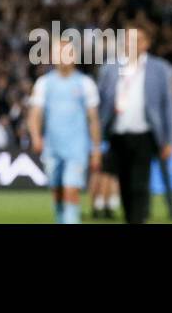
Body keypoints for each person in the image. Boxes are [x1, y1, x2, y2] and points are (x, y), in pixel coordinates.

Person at [97, 23, 172, 224]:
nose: (131, 44)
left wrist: (169, 140)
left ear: (146, 44)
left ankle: (138, 220)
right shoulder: (110, 68)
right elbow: (101, 102)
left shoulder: (159, 69)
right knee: (123, 182)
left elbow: (168, 105)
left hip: (145, 134)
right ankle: (131, 218)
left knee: (139, 184)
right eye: (128, 40)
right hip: (117, 133)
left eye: (137, 40)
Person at [28, 37, 101, 223]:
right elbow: (35, 115)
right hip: (52, 147)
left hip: (76, 147)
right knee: (57, 191)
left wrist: (96, 150)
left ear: (74, 56)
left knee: (70, 189)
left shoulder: (85, 84)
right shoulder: (44, 83)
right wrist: (36, 136)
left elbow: (93, 120)